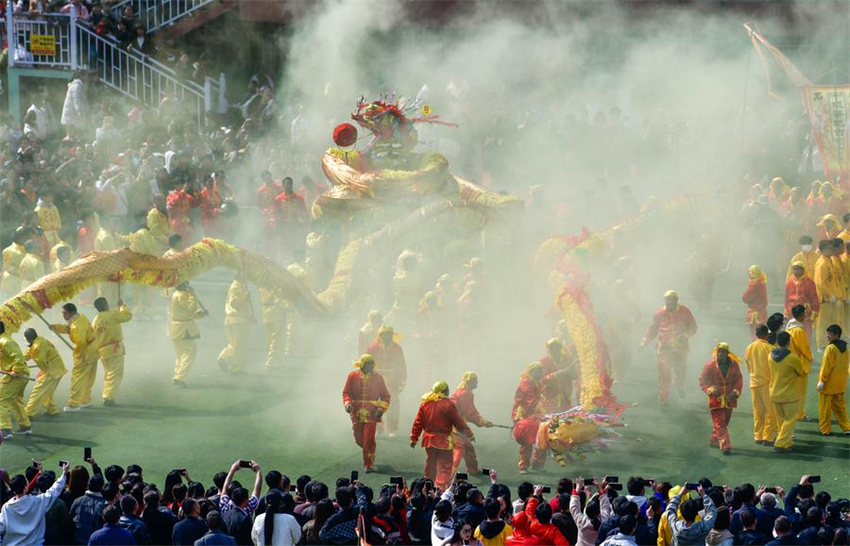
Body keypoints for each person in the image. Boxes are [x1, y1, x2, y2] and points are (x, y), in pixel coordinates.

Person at [410, 381, 474, 490]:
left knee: (431, 465)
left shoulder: (425, 403)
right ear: (443, 391)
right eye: (447, 390)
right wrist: (469, 434)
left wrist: (414, 438)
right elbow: (459, 422)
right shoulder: (448, 404)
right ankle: (440, 491)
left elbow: (418, 422)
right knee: (444, 467)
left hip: (428, 441)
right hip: (444, 441)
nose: (449, 392)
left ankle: (427, 488)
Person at [640, 290, 698, 405]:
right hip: (664, 350)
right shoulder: (659, 313)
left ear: (677, 301)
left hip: (681, 349)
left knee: (680, 371)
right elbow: (653, 330)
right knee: (664, 373)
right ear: (665, 300)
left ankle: (679, 386)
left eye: (673, 299)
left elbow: (693, 328)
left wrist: (685, 336)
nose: (670, 302)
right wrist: (644, 342)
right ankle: (663, 398)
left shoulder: (685, 311)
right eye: (668, 299)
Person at [342, 354, 391, 473]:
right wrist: (347, 403)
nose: (371, 366)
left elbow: (385, 396)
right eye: (369, 364)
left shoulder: (378, 377)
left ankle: (368, 463)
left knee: (368, 437)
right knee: (359, 439)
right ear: (363, 364)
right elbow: (346, 393)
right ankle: (370, 450)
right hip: (356, 412)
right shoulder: (352, 376)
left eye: (372, 364)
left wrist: (381, 408)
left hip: (372, 413)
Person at [0, 462, 68, 546]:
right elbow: (54, 491)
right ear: (25, 487)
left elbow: (1, 527)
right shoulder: (37, 501)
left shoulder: (6, 507)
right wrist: (64, 473)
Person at [50, 303, 97, 412]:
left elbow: (80, 343)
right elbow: (69, 329)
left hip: (85, 354)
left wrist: (77, 354)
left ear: (71, 312)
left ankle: (74, 404)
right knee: (89, 378)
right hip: (93, 351)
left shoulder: (76, 325)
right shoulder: (80, 317)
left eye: (65, 313)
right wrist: (55, 327)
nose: (63, 316)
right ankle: (86, 400)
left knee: (77, 378)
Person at [698, 342, 743, 454]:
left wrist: (735, 391)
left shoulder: (734, 365)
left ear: (727, 353)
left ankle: (714, 440)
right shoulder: (710, 365)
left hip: (729, 399)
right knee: (720, 423)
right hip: (715, 400)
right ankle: (725, 445)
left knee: (724, 422)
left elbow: (739, 379)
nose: (720, 354)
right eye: (719, 351)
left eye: (723, 351)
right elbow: (702, 380)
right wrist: (710, 390)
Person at [367, 325, 407, 437]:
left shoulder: (397, 348)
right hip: (376, 379)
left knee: (393, 404)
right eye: (385, 335)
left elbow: (402, 366)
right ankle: (377, 428)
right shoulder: (372, 348)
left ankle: (392, 428)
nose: (387, 337)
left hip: (392, 380)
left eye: (389, 334)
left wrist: (401, 381)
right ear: (380, 335)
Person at [451, 372, 494, 475]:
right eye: (476, 380)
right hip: (456, 425)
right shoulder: (466, 393)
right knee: (459, 449)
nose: (477, 382)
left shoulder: (462, 391)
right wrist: (483, 421)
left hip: (456, 423)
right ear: (470, 381)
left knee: (468, 448)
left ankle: (473, 470)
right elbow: (470, 412)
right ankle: (450, 473)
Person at [769, 332, 806, 452]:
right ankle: (780, 444)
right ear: (789, 342)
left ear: (777, 341)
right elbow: (801, 372)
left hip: (774, 392)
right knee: (790, 420)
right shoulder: (793, 358)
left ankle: (786, 444)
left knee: (781, 421)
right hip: (789, 395)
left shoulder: (770, 356)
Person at [91, 297, 132, 406]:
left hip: (103, 351)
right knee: (115, 374)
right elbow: (127, 316)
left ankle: (107, 395)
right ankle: (108, 397)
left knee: (109, 374)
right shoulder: (112, 314)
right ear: (106, 305)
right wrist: (122, 306)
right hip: (114, 350)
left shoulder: (95, 320)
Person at [168, 283, 209, 387]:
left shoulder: (175, 294)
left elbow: (187, 314)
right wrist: (192, 295)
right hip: (184, 329)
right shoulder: (182, 295)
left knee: (181, 354)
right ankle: (180, 378)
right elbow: (191, 308)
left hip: (177, 327)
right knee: (189, 352)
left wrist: (202, 313)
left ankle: (178, 375)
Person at [22, 327, 67, 418]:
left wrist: (42, 371)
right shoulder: (40, 340)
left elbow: (41, 361)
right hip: (56, 367)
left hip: (51, 370)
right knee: (47, 391)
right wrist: (20, 360)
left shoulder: (36, 346)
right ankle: (52, 410)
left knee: (37, 391)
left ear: (27, 338)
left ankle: (28, 413)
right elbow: (29, 353)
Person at [743, 325, 776, 445]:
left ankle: (758, 436)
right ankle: (768, 436)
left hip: (754, 383)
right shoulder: (770, 348)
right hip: (767, 383)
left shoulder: (749, 348)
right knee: (770, 411)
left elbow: (748, 366)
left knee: (758, 411)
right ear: (766, 335)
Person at [0, 320, 32, 439]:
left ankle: (5, 430)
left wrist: (16, 371)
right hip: (16, 375)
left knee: (2, 400)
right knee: (15, 401)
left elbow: (18, 357)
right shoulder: (3, 340)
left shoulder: (6, 341)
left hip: (18, 376)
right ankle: (25, 426)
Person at [816, 324, 850, 435]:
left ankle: (825, 429)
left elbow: (827, 366)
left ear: (836, 335)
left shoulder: (830, 348)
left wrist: (822, 380)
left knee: (825, 410)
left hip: (828, 385)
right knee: (840, 408)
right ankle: (846, 427)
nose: (827, 336)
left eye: (830, 334)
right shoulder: (845, 348)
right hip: (840, 384)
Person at [217, 274, 254, 375]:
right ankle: (232, 365)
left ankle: (230, 362)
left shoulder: (239, 287)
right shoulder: (236, 287)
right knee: (240, 346)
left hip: (236, 319)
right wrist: (245, 297)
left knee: (235, 345)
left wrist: (249, 316)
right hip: (238, 320)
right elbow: (234, 303)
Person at [785, 305, 814, 421]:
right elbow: (804, 348)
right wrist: (810, 357)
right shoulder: (799, 330)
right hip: (800, 364)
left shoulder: (789, 328)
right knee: (800, 392)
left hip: (790, 363)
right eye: (804, 313)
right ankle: (799, 414)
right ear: (801, 315)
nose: (805, 315)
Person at [813, 239, 842, 349]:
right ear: (823, 250)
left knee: (831, 320)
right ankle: (821, 344)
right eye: (830, 248)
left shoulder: (829, 260)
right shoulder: (822, 264)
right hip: (825, 299)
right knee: (823, 322)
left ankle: (830, 341)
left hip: (832, 298)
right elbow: (821, 284)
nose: (832, 250)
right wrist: (830, 296)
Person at [94, 216, 127, 306]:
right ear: (106, 224)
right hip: (107, 270)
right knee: (107, 296)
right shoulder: (105, 236)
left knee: (113, 294)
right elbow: (115, 253)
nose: (117, 224)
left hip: (112, 269)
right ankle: (105, 316)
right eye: (114, 223)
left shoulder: (111, 233)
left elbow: (122, 239)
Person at [538, 338, 578, 411]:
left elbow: (575, 375)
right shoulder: (543, 361)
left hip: (565, 396)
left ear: (560, 348)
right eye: (551, 348)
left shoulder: (567, 359)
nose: (554, 350)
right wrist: (556, 375)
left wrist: (568, 373)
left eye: (556, 348)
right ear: (548, 350)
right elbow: (542, 380)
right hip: (550, 397)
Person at [784, 262, 819, 340]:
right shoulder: (789, 282)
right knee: (791, 336)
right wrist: (786, 311)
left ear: (803, 270)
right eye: (794, 269)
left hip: (805, 313)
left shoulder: (809, 282)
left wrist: (814, 311)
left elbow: (814, 297)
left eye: (798, 269)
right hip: (791, 313)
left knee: (806, 336)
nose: (795, 271)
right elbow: (787, 299)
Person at [259, 287, 286, 371]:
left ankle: (276, 361)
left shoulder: (263, 286)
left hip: (269, 316)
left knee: (271, 339)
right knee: (277, 339)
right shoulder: (272, 288)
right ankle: (272, 361)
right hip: (275, 316)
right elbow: (272, 301)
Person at [2, 229, 31, 296]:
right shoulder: (9, 250)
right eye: (26, 238)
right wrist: (23, 273)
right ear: (20, 238)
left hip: (20, 281)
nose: (27, 239)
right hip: (11, 282)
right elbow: (8, 267)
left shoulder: (24, 248)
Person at [742, 265, 768, 339]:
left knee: (754, 333)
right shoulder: (761, 280)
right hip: (762, 311)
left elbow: (746, 298)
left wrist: (743, 295)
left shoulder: (754, 283)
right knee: (762, 333)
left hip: (755, 313)